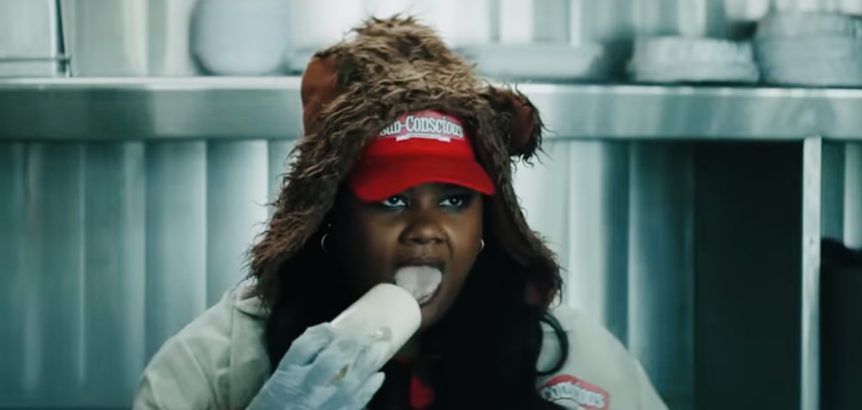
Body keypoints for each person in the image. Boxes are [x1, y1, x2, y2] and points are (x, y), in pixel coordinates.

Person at [133, 16, 668, 410]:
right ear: (330, 217)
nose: (427, 229)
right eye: (393, 200)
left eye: (455, 200)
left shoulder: (568, 359)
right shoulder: (220, 363)